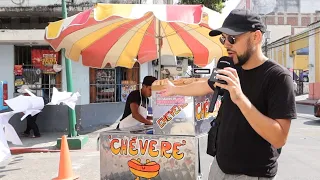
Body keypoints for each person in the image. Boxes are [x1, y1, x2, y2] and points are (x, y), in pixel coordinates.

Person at [162, 9, 296, 180]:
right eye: (223, 38)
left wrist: (240, 98)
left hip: (252, 174)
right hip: (219, 168)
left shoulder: (278, 78)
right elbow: (205, 85)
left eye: (232, 39)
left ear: (256, 37)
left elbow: (279, 138)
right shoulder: (231, 68)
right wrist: (174, 89)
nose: (226, 45)